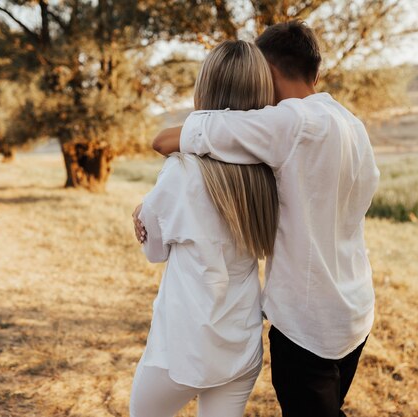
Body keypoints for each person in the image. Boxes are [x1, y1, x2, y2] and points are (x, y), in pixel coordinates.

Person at [144, 21, 380, 417]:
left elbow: (167, 139)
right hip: (356, 310)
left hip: (308, 326)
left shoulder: (287, 123)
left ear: (266, 72)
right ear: (316, 72)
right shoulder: (351, 124)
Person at [129, 40, 280, 417]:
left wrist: (143, 213)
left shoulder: (181, 171)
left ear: (204, 89)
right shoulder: (269, 172)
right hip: (241, 344)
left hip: (183, 345)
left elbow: (155, 250)